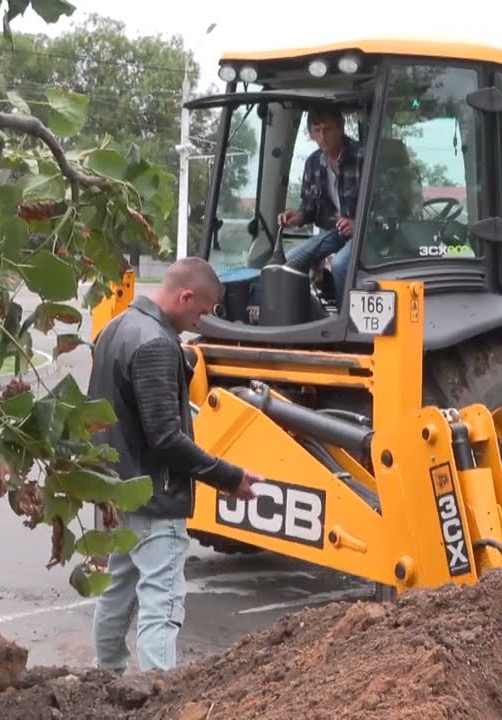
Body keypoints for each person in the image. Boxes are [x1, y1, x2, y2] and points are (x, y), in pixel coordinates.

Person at [87, 256, 262, 674]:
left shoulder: (117, 328)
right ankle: (158, 697)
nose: (200, 322)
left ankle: (105, 677)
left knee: (116, 592)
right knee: (161, 605)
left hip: (119, 489)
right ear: (185, 296)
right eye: (200, 311)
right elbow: (166, 439)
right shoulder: (155, 345)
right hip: (156, 497)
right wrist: (230, 477)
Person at [277, 106, 366, 300]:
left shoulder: (362, 157)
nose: (322, 136)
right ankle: (307, 314)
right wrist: (296, 217)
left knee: (340, 264)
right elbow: (309, 207)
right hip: (334, 232)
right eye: (317, 131)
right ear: (311, 133)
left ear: (340, 128)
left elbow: (386, 206)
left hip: (366, 234)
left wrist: (358, 224)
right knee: (291, 261)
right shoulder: (313, 163)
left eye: (328, 129)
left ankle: (346, 318)